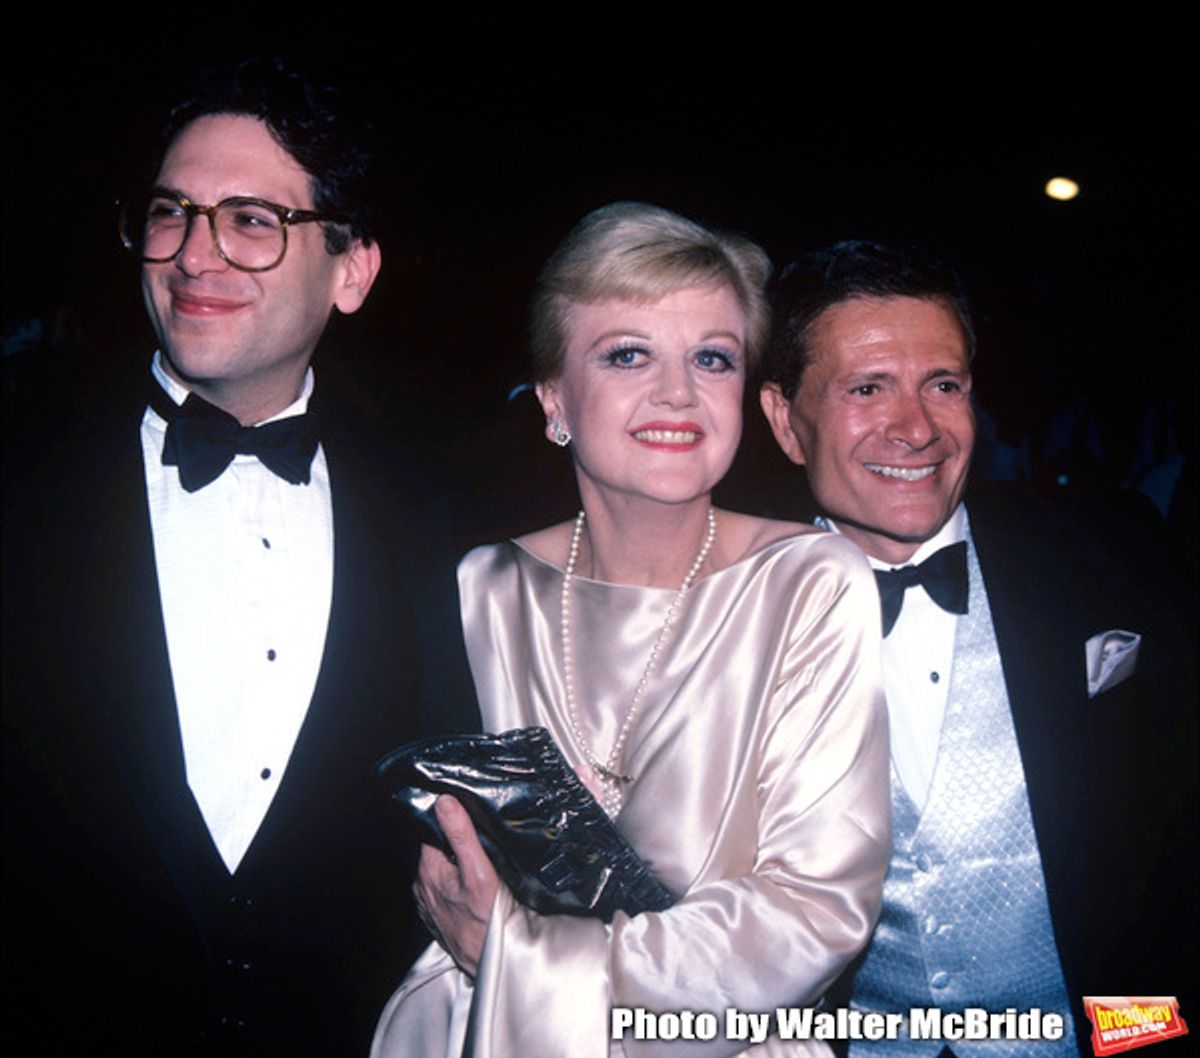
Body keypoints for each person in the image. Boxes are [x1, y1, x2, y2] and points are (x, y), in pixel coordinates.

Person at [2, 59, 475, 1056]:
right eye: (172, 212)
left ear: (353, 270)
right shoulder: (23, 473)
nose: (192, 255)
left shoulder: (434, 514)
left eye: (253, 221)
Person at [371, 202, 892, 1057]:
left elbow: (814, 911)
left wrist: (519, 958)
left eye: (712, 359)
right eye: (627, 354)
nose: (678, 393)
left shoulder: (811, 581)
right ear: (553, 400)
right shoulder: (484, 587)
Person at [759, 240, 1197, 1055]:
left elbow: (1176, 841)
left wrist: (1148, 1038)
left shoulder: (1114, 553)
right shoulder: (729, 616)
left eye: (943, 384)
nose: (916, 427)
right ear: (787, 420)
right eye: (867, 388)